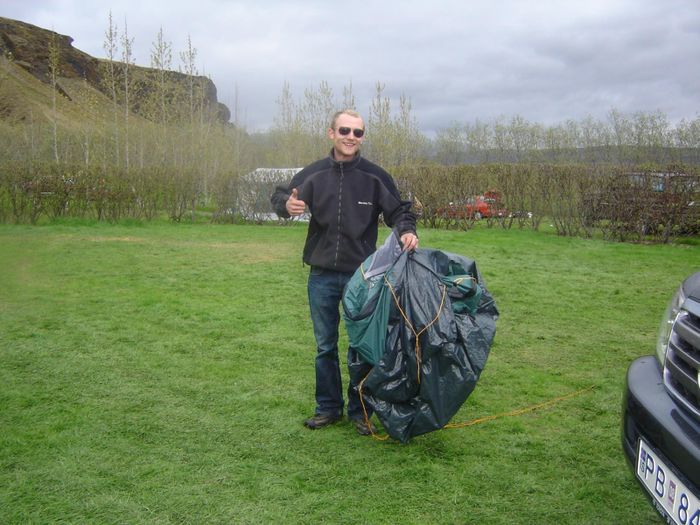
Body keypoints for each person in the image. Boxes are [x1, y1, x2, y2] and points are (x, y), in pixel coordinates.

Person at [270, 109, 418, 435]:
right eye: (345, 131)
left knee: (361, 346)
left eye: (358, 133)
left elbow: (400, 211)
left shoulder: (375, 176)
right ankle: (328, 408)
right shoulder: (314, 174)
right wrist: (286, 205)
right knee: (325, 346)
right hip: (321, 276)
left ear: (362, 137)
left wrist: (406, 230)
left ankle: (360, 410)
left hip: (362, 279)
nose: (351, 137)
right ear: (331, 133)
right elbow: (281, 194)